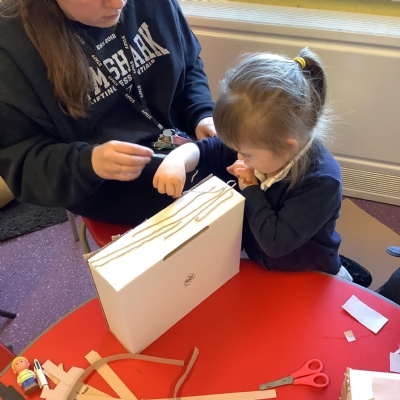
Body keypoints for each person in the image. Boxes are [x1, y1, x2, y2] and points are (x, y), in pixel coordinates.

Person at [153, 48, 372, 287]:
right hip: (258, 255)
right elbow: (209, 150)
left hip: (304, 269)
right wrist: (178, 158)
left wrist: (250, 187)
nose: (239, 157)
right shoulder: (259, 140)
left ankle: (344, 271)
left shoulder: (322, 181)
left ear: (287, 146)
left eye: (247, 154)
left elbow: (276, 242)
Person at [0, 0, 216, 225]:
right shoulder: (9, 46)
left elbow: (189, 65)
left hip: (179, 138)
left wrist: (201, 113)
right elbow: (24, 164)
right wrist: (89, 163)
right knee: (210, 219)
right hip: (103, 184)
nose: (119, 3)